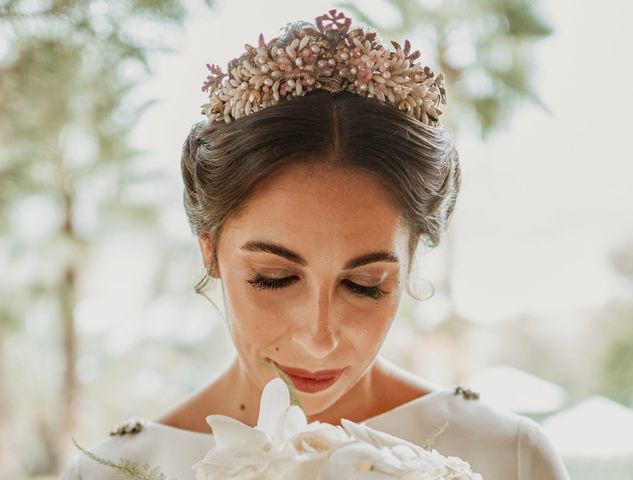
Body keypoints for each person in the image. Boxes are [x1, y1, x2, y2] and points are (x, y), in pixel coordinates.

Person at [59, 9, 571, 480]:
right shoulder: (110, 472)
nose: (319, 338)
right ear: (210, 249)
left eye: (365, 285)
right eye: (274, 278)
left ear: (411, 260)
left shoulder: (510, 456)